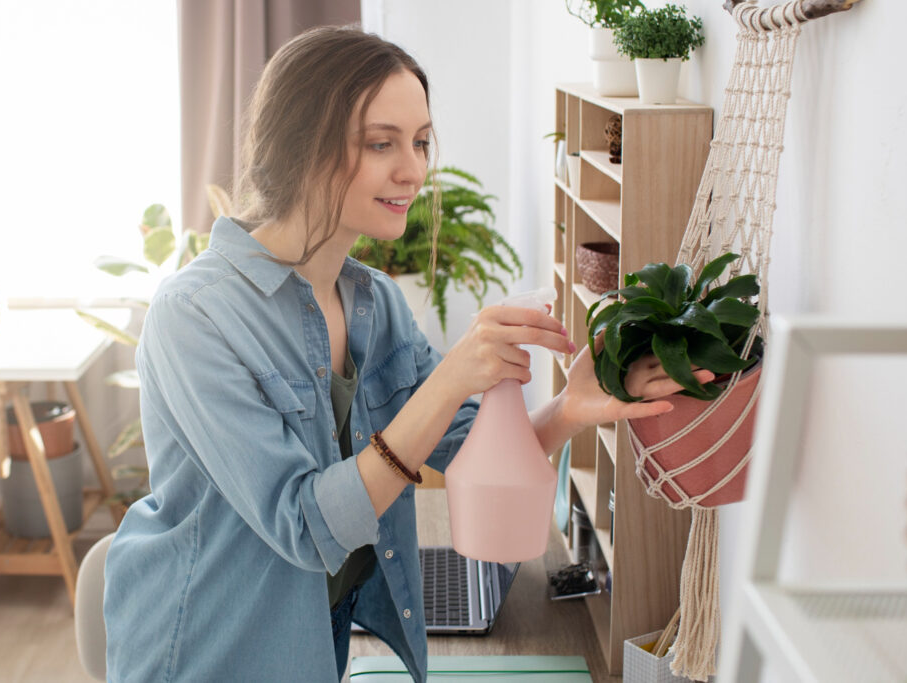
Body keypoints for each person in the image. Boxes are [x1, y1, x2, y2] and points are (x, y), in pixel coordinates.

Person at [103, 26, 709, 683]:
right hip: (202, 647)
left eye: (420, 142)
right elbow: (307, 529)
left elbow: (472, 454)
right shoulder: (196, 317)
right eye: (381, 143)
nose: (414, 169)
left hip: (314, 640)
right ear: (300, 144)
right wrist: (451, 377)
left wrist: (570, 409)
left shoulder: (377, 304)